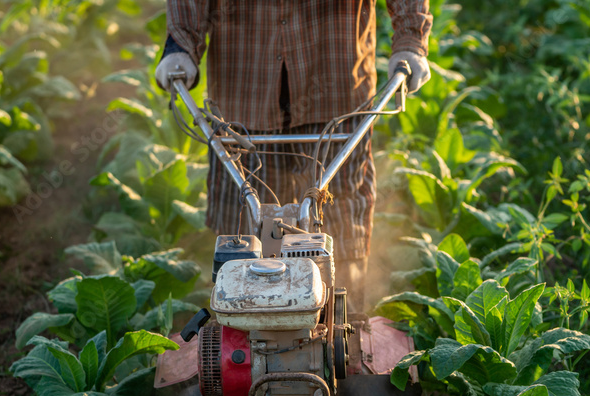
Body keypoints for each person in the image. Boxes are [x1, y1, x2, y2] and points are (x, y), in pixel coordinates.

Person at [155, 1, 432, 309]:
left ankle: (346, 324)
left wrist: (410, 41)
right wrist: (179, 46)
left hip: (335, 101)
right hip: (244, 103)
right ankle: (245, 331)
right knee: (243, 238)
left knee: (339, 234)